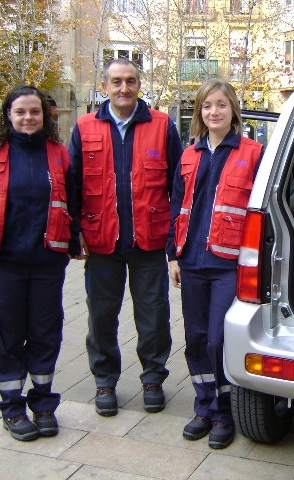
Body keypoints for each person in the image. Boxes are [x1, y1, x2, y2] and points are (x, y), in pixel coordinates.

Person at [0, 85, 81, 442]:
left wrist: (73, 244)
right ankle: (12, 408)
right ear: (8, 116)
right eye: (20, 112)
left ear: (45, 116)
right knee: (6, 336)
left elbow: (71, 204)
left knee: (46, 334)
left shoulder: (59, 154)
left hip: (47, 263)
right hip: (3, 265)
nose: (28, 118)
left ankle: (43, 403)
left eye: (35, 112)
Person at [69, 58, 183, 417]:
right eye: (116, 81)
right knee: (101, 315)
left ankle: (153, 378)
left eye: (130, 81)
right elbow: (72, 186)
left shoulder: (163, 126)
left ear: (139, 84)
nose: (123, 88)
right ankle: (105, 380)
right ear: (105, 86)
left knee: (153, 315)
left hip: (148, 240)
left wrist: (173, 244)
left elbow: (178, 188)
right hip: (102, 242)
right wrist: (75, 233)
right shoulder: (85, 127)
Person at [167, 79, 264, 449]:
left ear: (233, 109)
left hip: (229, 263)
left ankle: (225, 412)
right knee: (196, 338)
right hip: (191, 260)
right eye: (207, 106)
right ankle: (203, 405)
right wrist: (173, 256)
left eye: (221, 104)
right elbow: (177, 208)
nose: (214, 112)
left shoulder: (253, 153)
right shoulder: (189, 155)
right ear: (199, 112)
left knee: (219, 338)